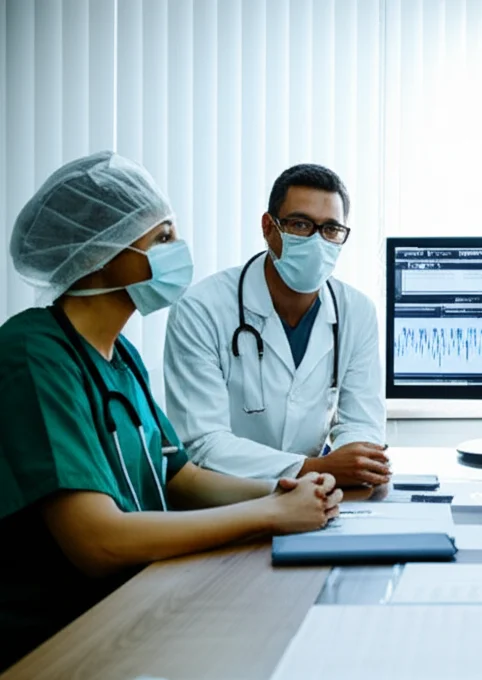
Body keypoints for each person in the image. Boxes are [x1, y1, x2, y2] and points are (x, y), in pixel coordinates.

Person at [0, 152, 343, 671]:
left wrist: (283, 491)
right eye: (161, 239)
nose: (177, 252)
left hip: (135, 601)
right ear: (102, 250)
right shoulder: (33, 353)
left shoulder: (122, 356)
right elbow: (97, 540)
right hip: (60, 636)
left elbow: (178, 475)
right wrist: (267, 514)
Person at [163, 164, 388, 485]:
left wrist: (356, 459)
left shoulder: (357, 311)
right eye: (300, 224)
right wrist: (316, 468)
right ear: (269, 227)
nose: (317, 240)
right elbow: (203, 443)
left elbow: (362, 421)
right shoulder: (201, 308)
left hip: (316, 495)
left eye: (331, 229)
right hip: (226, 497)